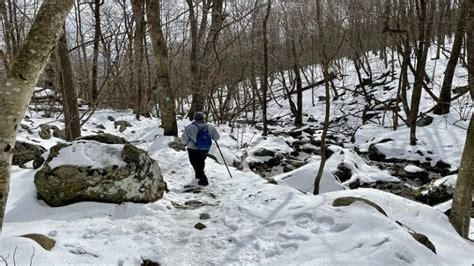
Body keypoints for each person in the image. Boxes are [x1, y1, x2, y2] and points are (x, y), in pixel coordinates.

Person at [181, 111, 220, 186]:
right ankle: (198, 179)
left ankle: (203, 180)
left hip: (193, 149)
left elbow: (183, 140)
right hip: (205, 148)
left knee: (196, 164)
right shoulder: (210, 127)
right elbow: (217, 137)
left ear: (194, 118)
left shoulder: (190, 127)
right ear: (203, 118)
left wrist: (185, 143)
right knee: (200, 163)